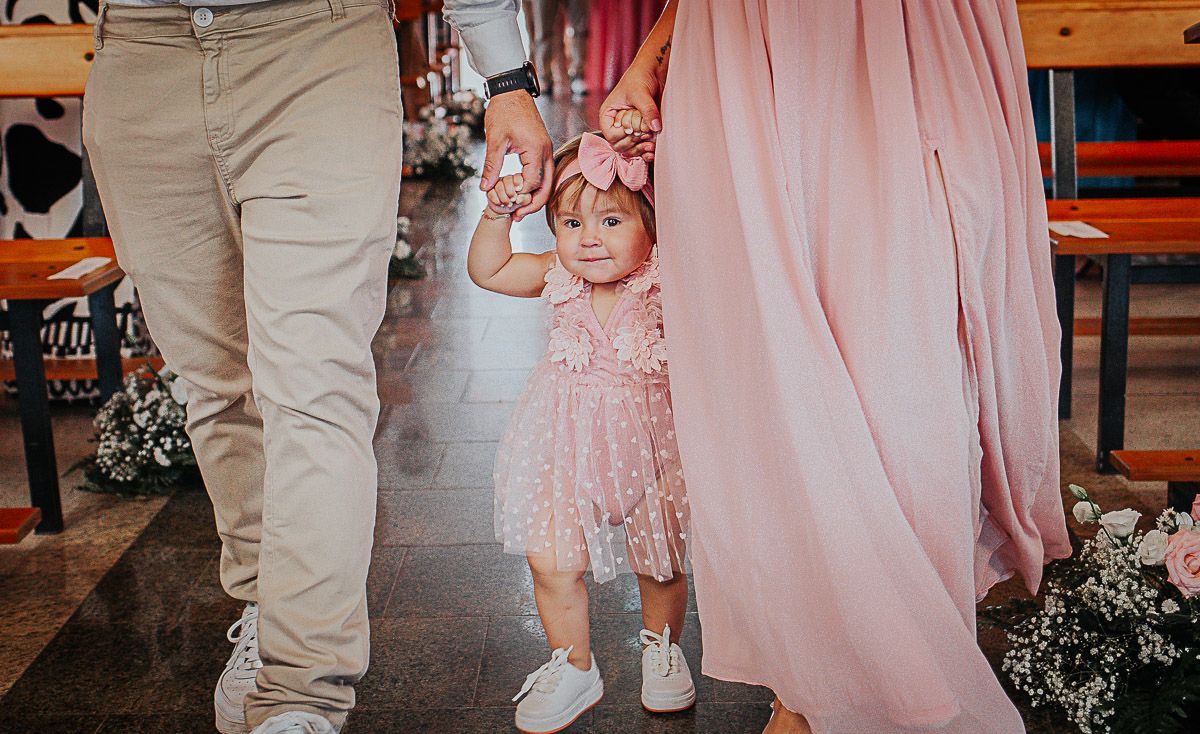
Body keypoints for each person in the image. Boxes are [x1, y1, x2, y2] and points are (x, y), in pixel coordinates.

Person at [600, 2, 1072, 733]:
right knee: (767, 368)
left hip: (899, 45)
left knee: (906, 370)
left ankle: (897, 670)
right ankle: (810, 684)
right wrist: (651, 56)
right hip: (741, 54)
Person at [83, 0, 550, 732]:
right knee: (217, 384)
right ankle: (268, 608)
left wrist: (505, 76)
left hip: (317, 43)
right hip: (143, 59)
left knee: (314, 383)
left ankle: (302, 691)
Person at [467, 132, 696, 734]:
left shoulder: (666, 278)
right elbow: (489, 269)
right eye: (571, 224)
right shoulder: (556, 275)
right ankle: (573, 665)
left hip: (656, 448)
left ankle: (662, 648)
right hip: (565, 447)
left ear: (653, 224)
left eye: (612, 221)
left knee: (661, 562)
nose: (589, 238)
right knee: (549, 560)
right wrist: (496, 214)